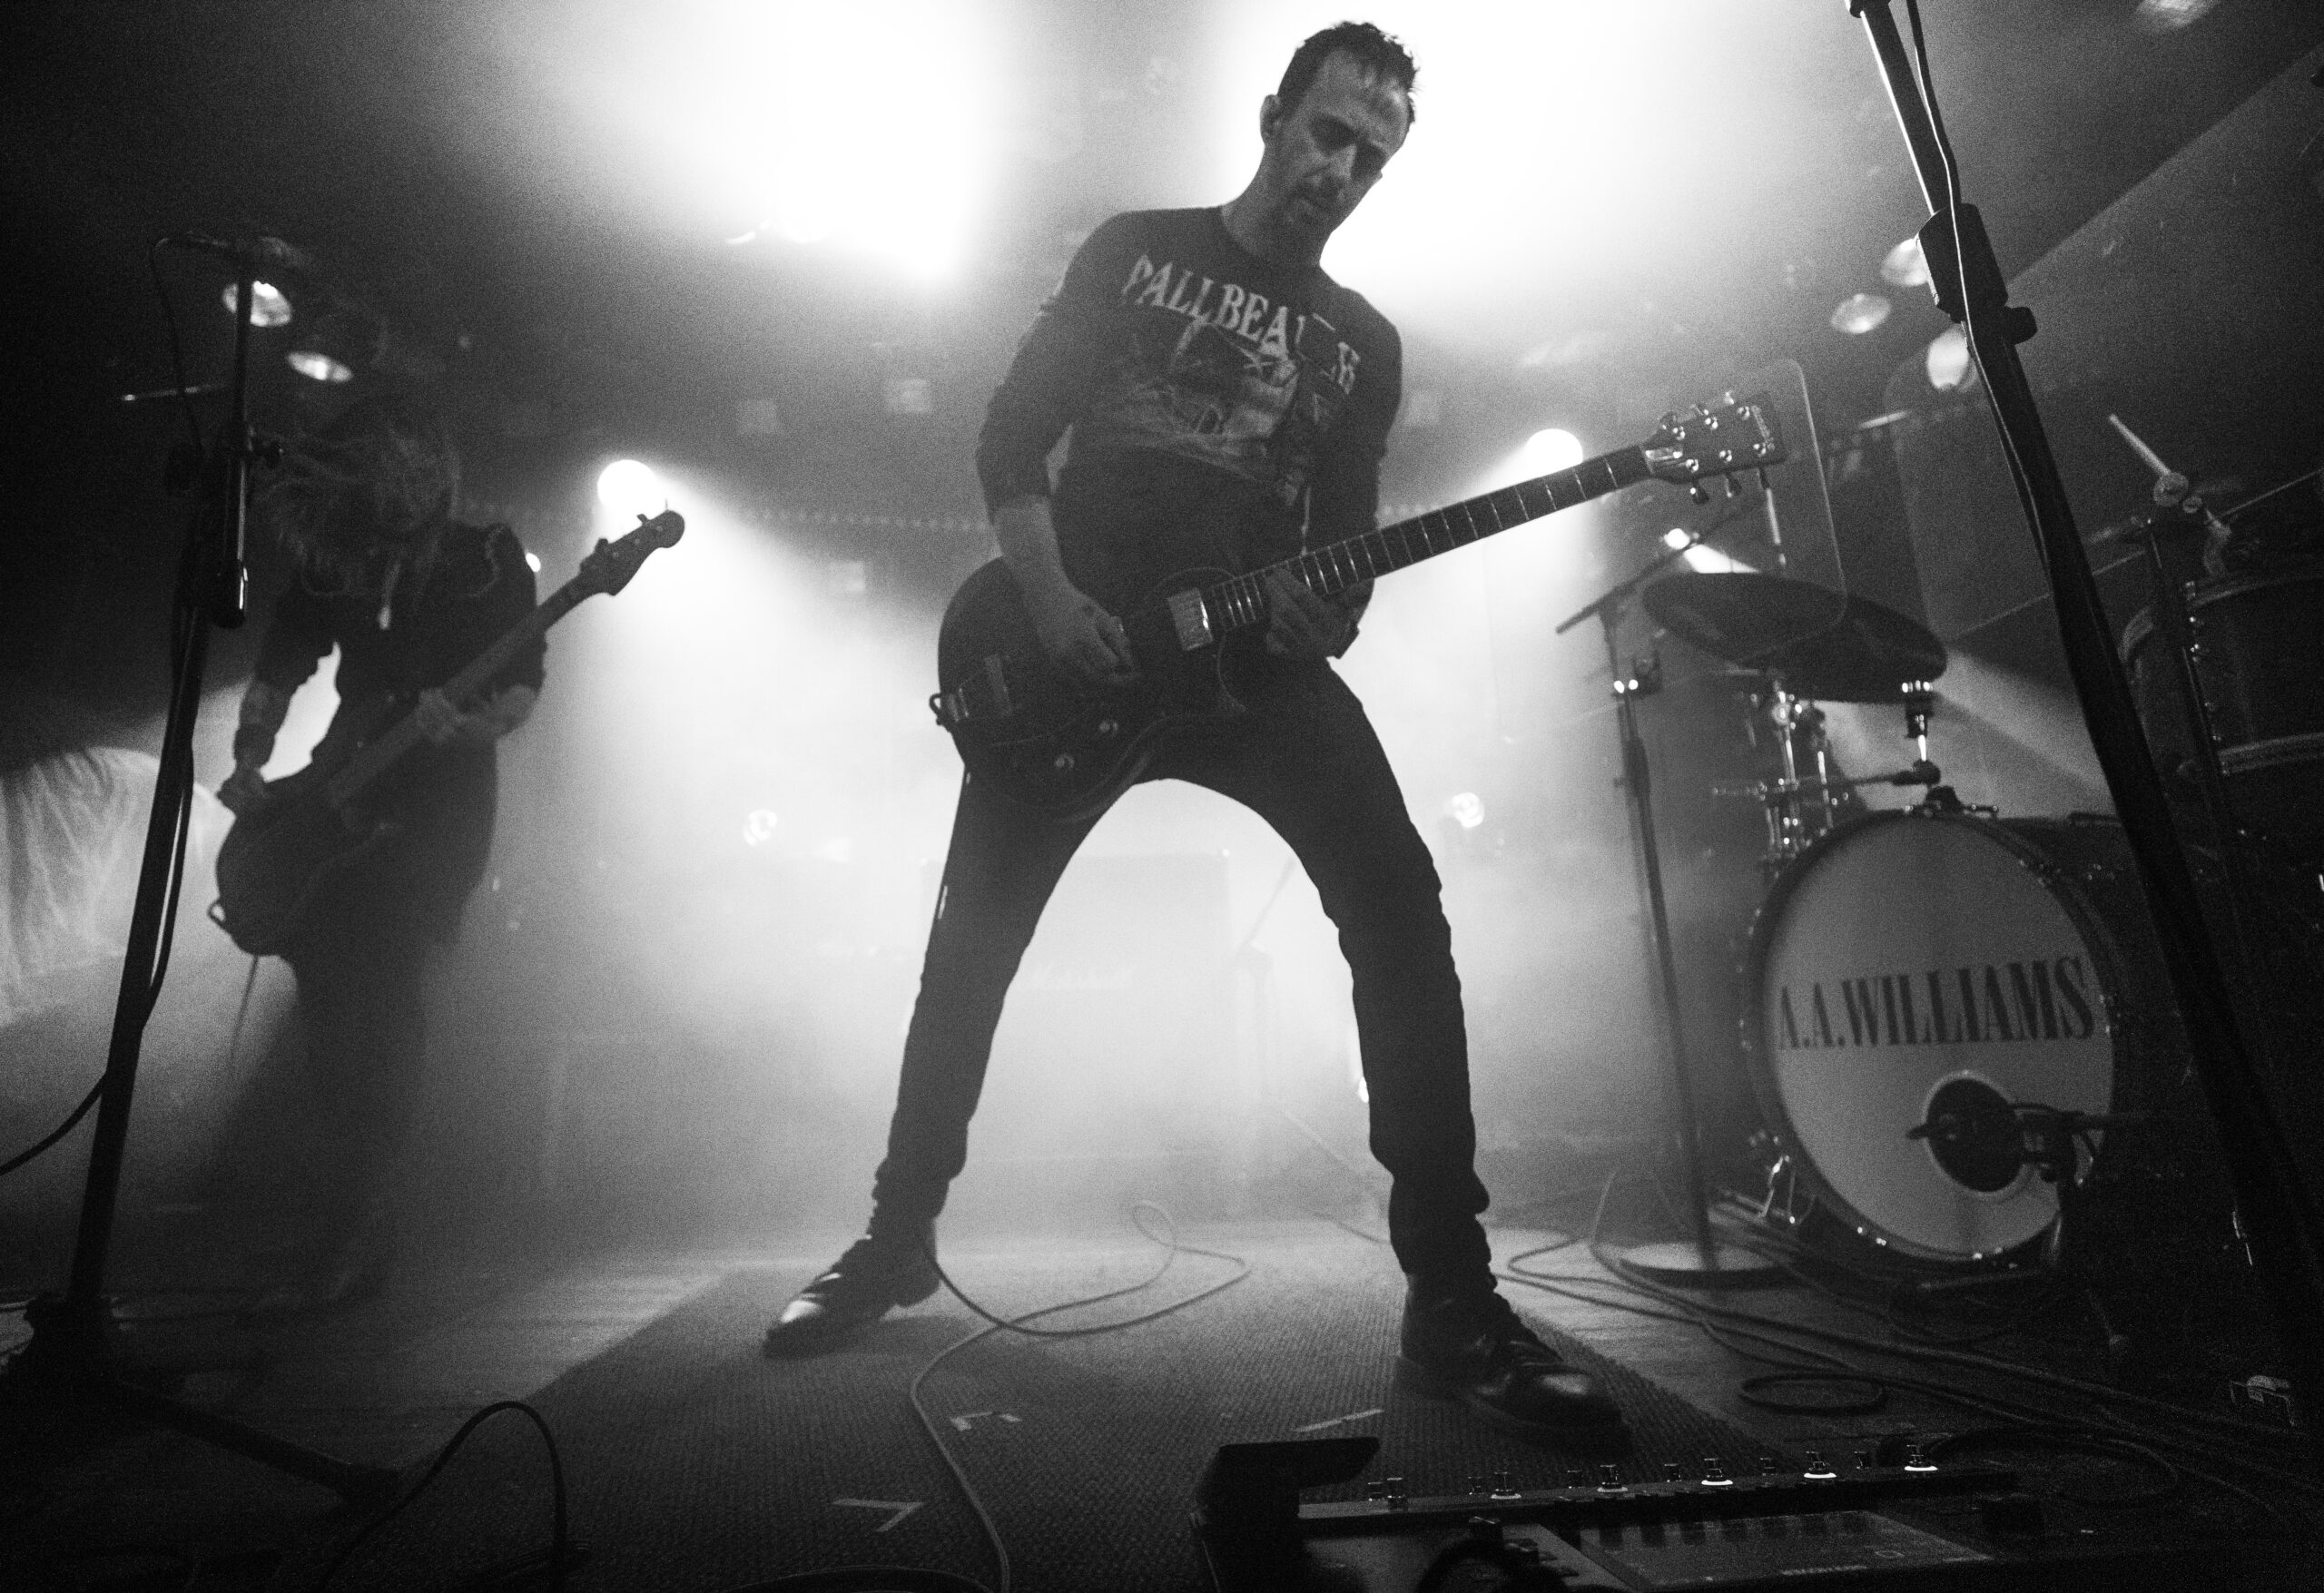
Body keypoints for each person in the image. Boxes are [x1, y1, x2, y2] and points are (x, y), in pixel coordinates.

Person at [763, 22, 1626, 1444]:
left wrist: (1323, 615)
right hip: (1075, 639)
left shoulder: (1362, 344)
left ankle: (1453, 1293)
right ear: (1276, 114)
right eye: (1330, 132)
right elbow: (1010, 436)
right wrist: (1050, 602)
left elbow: (1342, 544)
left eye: (1372, 156)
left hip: (1244, 663)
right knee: (972, 940)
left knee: (1400, 908)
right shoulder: (1137, 250)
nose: (1341, 169)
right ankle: (894, 1235)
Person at [218, 396, 542, 1311]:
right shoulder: (342, 556)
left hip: (435, 804)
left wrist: (470, 726)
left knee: (385, 999)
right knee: (329, 1005)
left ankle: (365, 1227)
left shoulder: (487, 559)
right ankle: (341, 1220)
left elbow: (523, 682)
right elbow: (285, 653)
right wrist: (251, 752)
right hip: (343, 778)